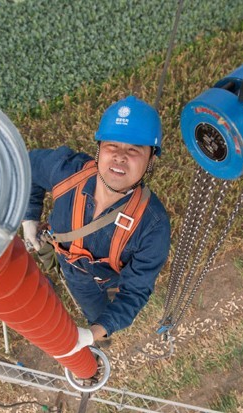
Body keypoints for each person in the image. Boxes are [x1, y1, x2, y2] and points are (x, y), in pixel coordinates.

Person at [22, 96, 170, 357]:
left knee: (101, 314)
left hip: (105, 279)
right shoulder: (68, 173)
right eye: (112, 145)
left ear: (151, 161)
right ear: (99, 148)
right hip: (74, 274)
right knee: (88, 303)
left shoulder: (152, 227)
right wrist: (29, 216)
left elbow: (134, 292)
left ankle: (98, 333)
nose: (121, 157)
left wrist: (93, 332)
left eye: (135, 149)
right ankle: (97, 329)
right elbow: (28, 166)